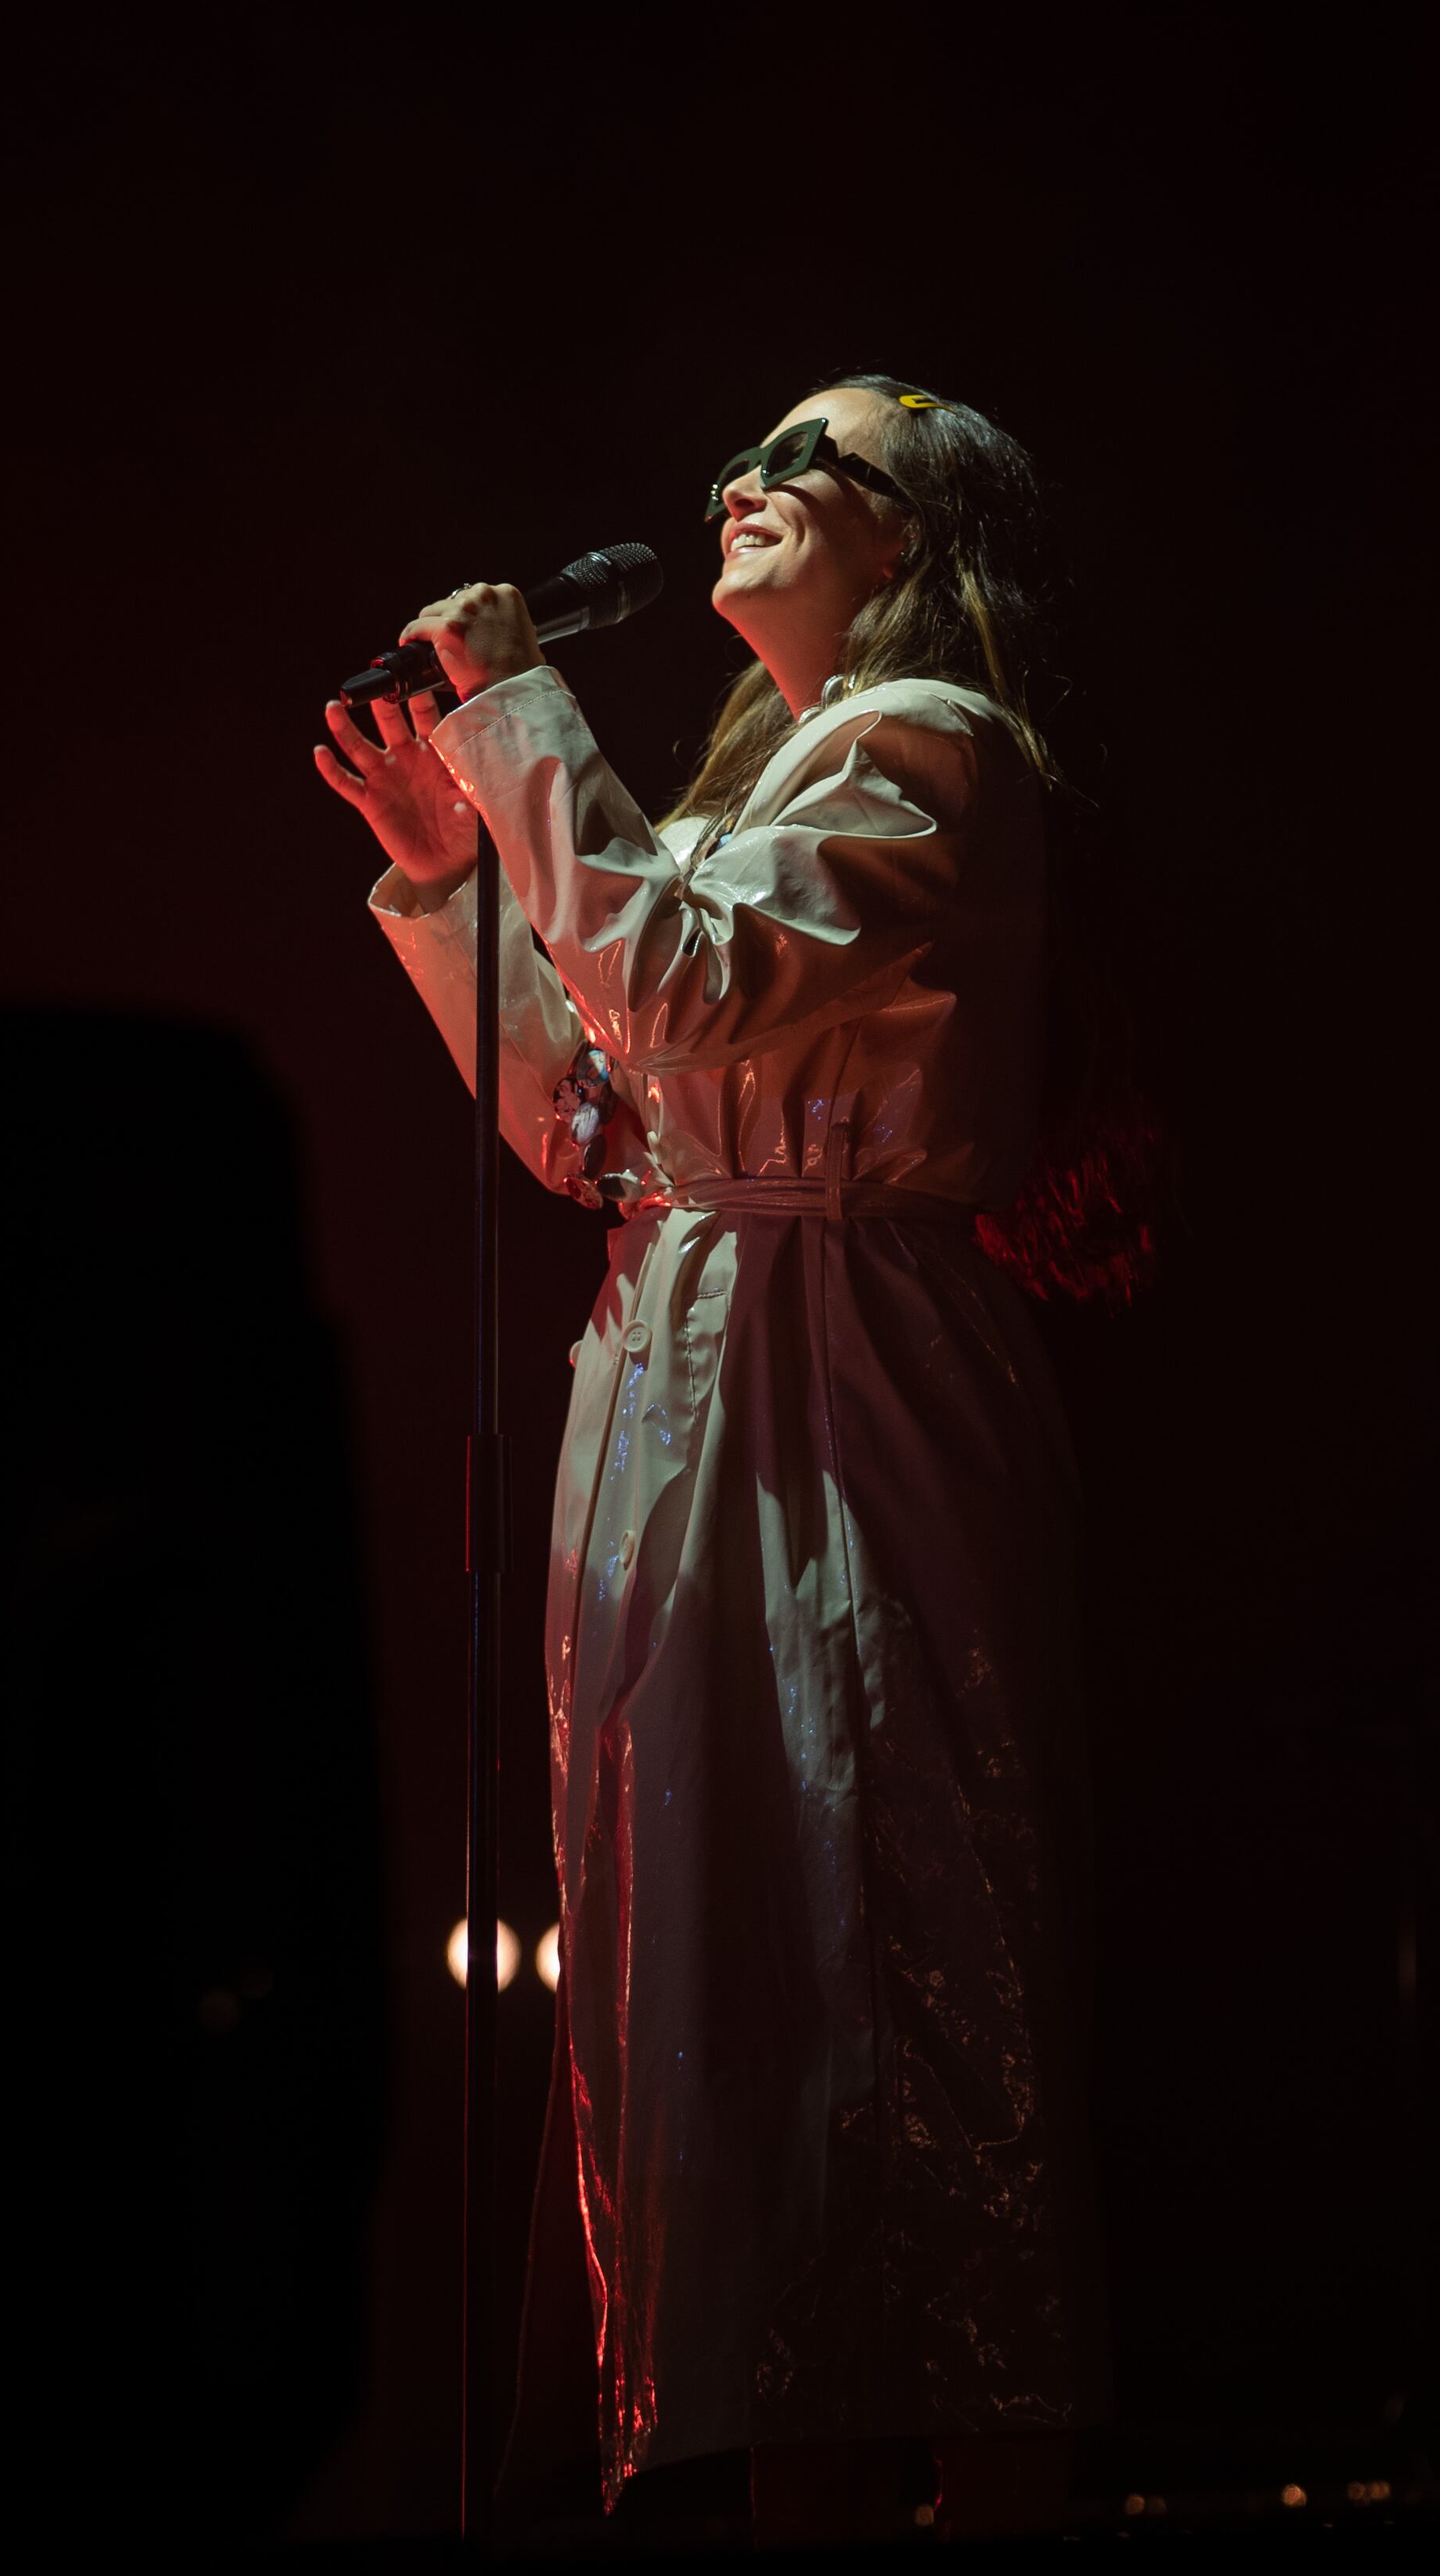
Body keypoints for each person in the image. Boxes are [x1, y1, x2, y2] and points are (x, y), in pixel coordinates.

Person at [312, 375, 1141, 2544]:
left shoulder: (931, 748)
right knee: (719, 1959)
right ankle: (780, 2489)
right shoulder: (765, 778)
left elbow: (670, 994)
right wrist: (444, 879)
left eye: (813, 461)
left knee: (890, 1915)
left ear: (919, 537)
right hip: (691, 1369)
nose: (747, 488)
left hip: (845, 1377)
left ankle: (982, 2478)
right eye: (746, 460)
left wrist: (515, 716)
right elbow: (597, 1129)